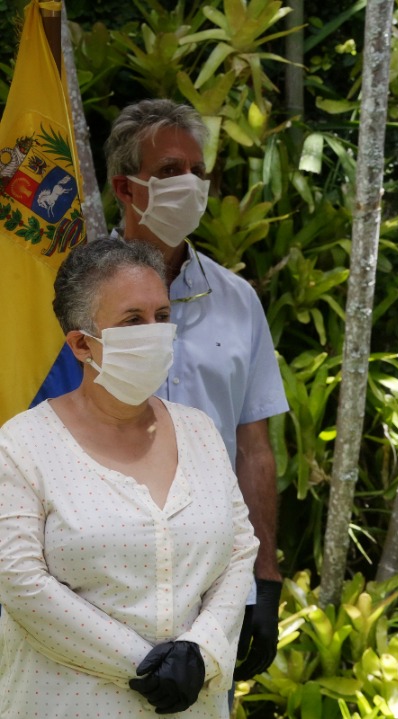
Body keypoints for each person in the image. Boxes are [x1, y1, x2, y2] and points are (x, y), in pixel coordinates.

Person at [0, 237, 258, 717]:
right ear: (81, 344)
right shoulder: (22, 445)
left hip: (192, 701)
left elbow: (240, 548)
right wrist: (142, 663)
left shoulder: (198, 430)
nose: (156, 333)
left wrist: (199, 654)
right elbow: (20, 581)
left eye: (161, 316)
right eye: (133, 320)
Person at [104, 99, 288, 681]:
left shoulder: (238, 301)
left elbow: (253, 444)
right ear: (124, 188)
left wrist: (265, 574)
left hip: (215, 576)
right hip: (100, 567)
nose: (190, 185)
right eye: (168, 172)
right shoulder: (75, 294)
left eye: (197, 172)